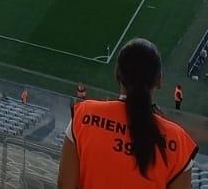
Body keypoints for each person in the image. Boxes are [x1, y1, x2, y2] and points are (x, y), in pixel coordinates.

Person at [58, 38, 197, 189]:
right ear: (159, 80)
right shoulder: (178, 143)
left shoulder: (83, 116)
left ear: (118, 75)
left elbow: (65, 185)